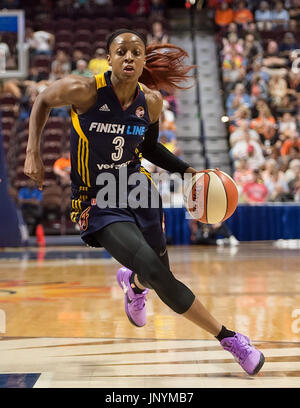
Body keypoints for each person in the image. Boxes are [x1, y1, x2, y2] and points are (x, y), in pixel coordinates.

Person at [24, 29, 264, 376]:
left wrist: (185, 171)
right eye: (121, 51)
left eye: (136, 52)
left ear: (142, 61)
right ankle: (230, 339)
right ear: (109, 58)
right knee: (156, 271)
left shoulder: (150, 102)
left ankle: (133, 286)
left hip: (138, 190)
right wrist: (33, 151)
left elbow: (148, 149)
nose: (129, 58)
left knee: (156, 272)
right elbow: (43, 99)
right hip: (98, 198)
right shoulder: (84, 91)